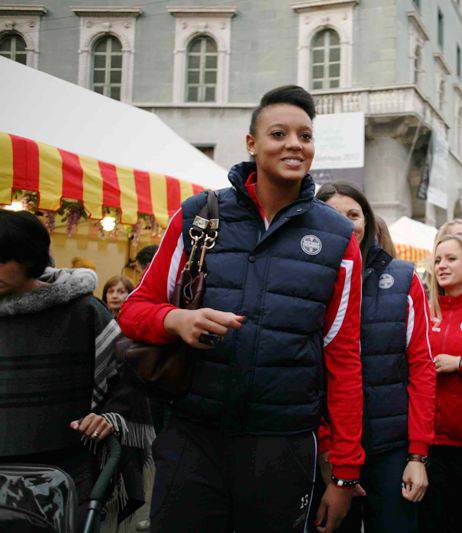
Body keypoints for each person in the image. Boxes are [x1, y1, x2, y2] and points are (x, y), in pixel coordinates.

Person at [118, 85, 365, 533]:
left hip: (283, 444)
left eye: (305, 136)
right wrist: (177, 320)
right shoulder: (198, 216)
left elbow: (343, 358)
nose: (294, 144)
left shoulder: (337, 237)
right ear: (251, 144)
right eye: (279, 133)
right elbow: (134, 311)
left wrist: (345, 470)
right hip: (193, 437)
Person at [0, 210, 152, 526]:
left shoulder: (82, 311)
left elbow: (127, 379)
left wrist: (108, 418)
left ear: (28, 258)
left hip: (67, 471)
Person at [315, 181, 436, 533]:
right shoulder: (308, 279)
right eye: (333, 214)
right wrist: (325, 448)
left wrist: (418, 456)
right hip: (328, 449)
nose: (346, 223)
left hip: (392, 449)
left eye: (354, 214)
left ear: (367, 220)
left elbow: (422, 368)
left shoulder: (402, 279)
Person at [420, 234, 462, 533]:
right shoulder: (424, 311)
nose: (441, 266)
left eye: (450, 259)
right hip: (427, 443)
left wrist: (461, 364)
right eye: (437, 260)